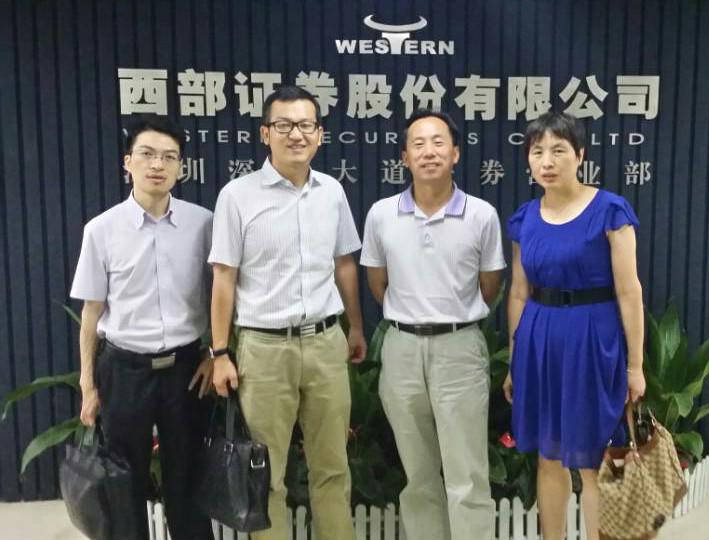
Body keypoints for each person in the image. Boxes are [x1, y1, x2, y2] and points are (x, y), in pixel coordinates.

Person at [208, 85, 366, 540]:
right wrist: (220, 352)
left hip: (325, 343)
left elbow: (344, 264)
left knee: (333, 468)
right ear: (265, 133)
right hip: (264, 350)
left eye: (305, 125)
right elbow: (224, 278)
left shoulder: (332, 192)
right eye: (284, 125)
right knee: (266, 473)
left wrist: (355, 327)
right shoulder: (237, 196)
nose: (296, 134)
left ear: (319, 134)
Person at [360, 109, 505, 540]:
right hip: (402, 349)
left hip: (459, 349)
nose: (429, 152)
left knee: (467, 475)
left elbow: (489, 286)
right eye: (418, 144)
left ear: (456, 153)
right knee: (418, 474)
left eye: (439, 142)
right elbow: (377, 282)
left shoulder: (481, 215)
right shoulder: (382, 215)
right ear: (404, 157)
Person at [504, 111, 647, 540]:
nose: (547, 161)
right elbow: (518, 293)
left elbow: (629, 292)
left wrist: (635, 366)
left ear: (580, 155)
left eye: (558, 150)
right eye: (537, 152)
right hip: (539, 340)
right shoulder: (525, 218)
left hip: (592, 340)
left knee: (592, 459)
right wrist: (514, 360)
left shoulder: (610, 211)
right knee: (548, 457)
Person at [71, 116, 215, 540]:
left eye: (169, 157)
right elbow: (91, 313)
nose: (158, 165)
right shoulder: (101, 230)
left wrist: (215, 352)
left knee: (187, 480)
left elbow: (221, 295)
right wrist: (88, 385)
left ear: (181, 167)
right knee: (124, 483)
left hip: (186, 369)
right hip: (125, 370)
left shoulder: (203, 224)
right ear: (127, 162)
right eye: (148, 154)